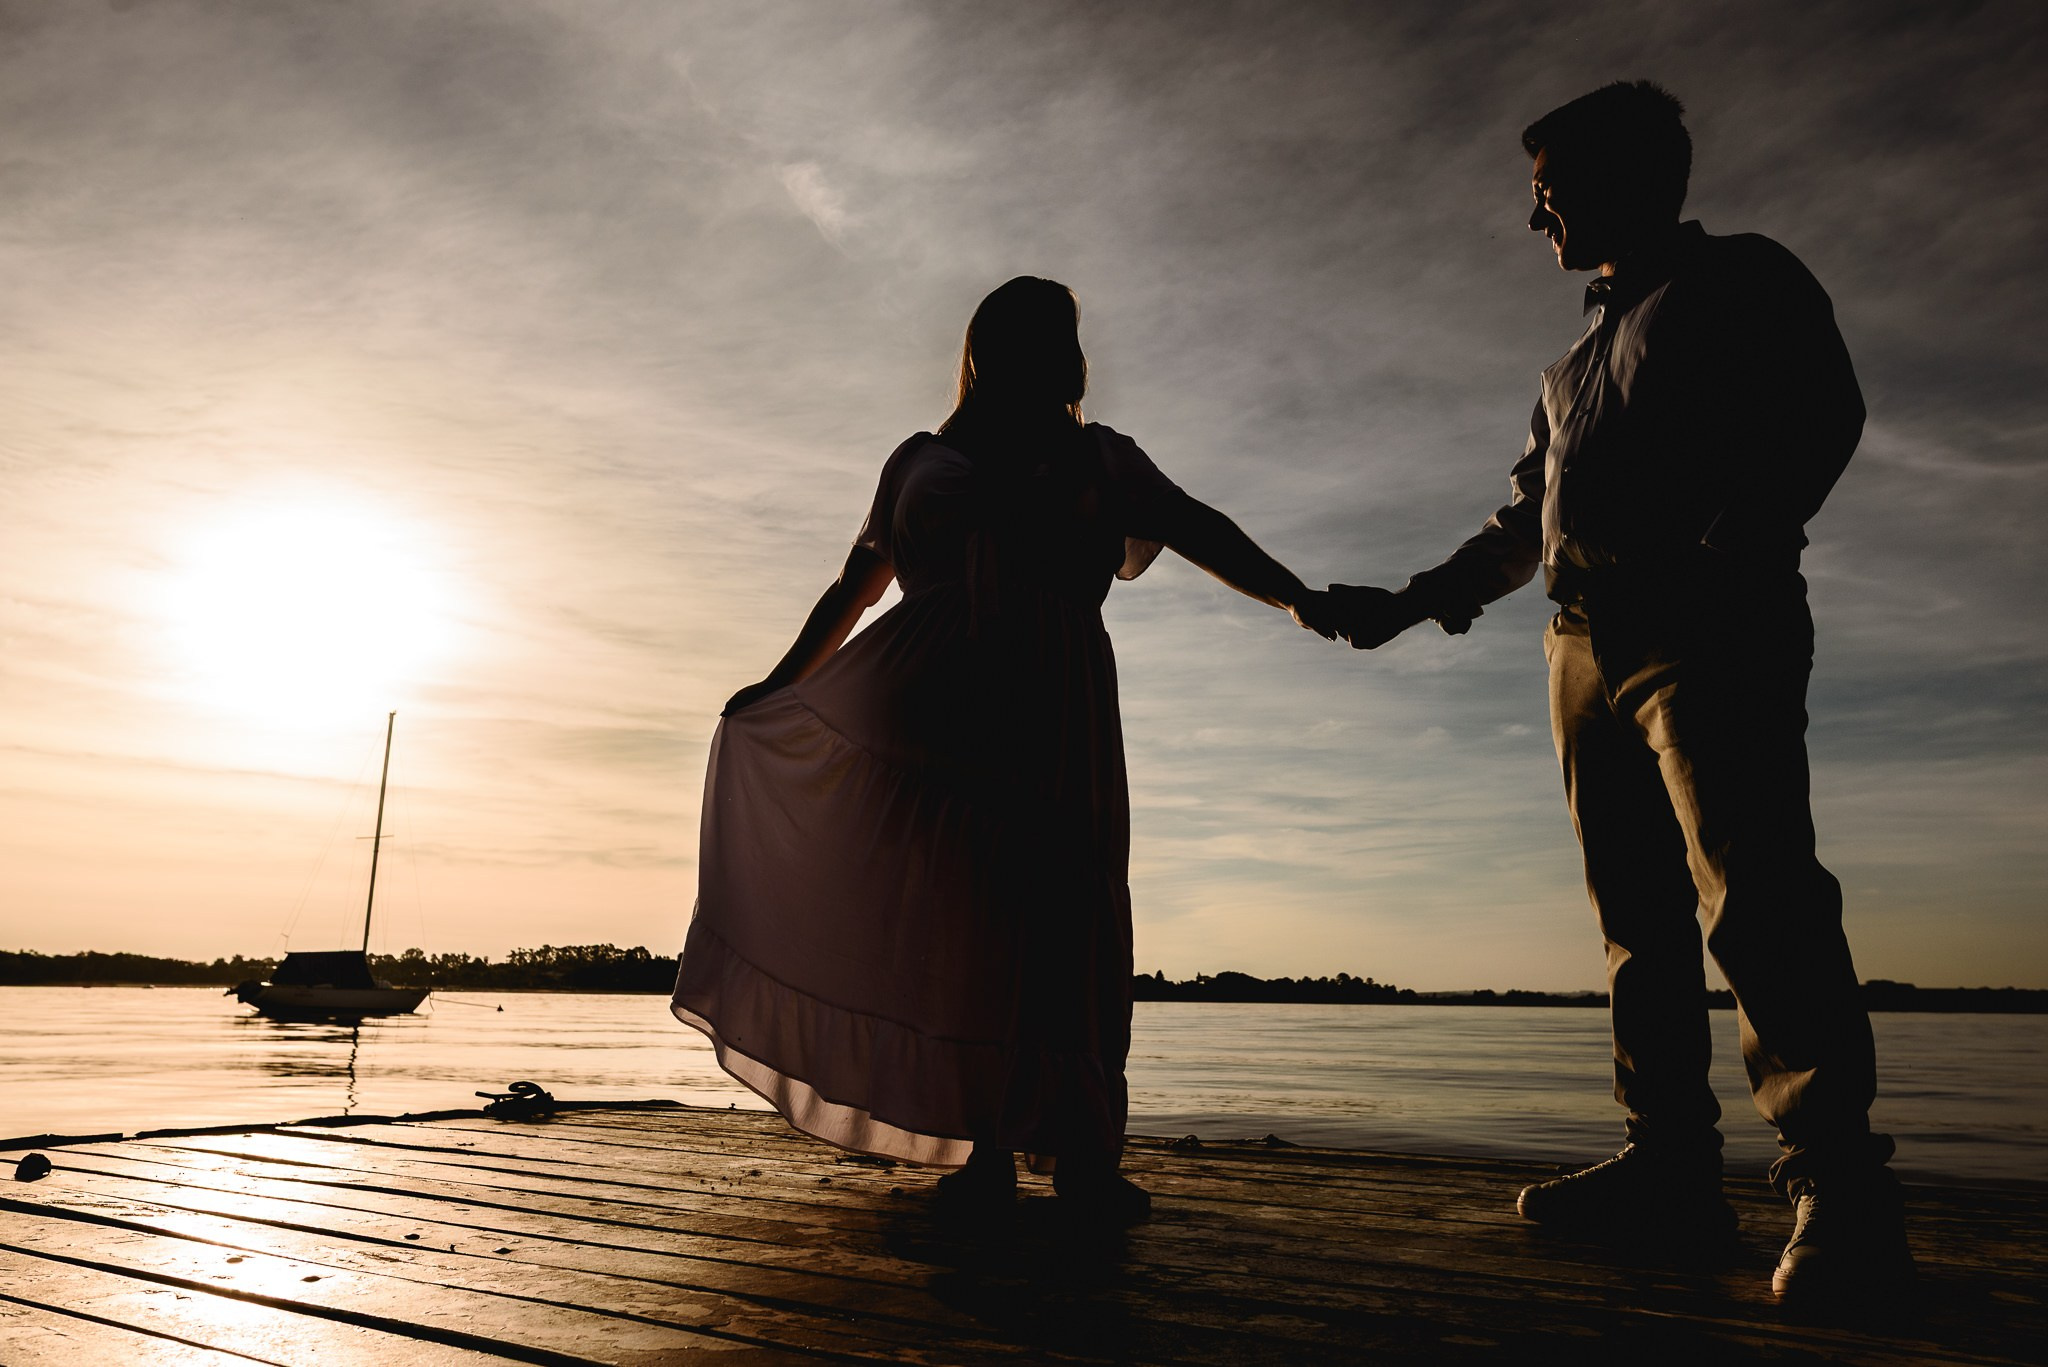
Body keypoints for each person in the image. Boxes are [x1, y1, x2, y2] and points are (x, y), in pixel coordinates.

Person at [1328, 82, 1912, 1300]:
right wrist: (1411, 599)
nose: (1533, 221)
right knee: (1634, 923)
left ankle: (1836, 1181)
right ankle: (1668, 1166)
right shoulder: (1572, 361)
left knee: (1753, 894)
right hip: (1577, 644)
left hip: (1706, 625)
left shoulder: (1739, 279)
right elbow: (1517, 521)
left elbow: (1823, 408)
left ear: (1624, 179)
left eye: (1547, 196)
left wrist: (1732, 539)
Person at [674, 276, 1335, 1223]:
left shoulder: (1102, 458)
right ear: (982, 347)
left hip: (1057, 705)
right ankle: (983, 1151)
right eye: (1013, 334)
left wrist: (1301, 598)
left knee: (1068, 909)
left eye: (1049, 336)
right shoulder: (919, 461)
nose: (1031, 352)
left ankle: (1084, 1157)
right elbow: (857, 589)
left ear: (1064, 355)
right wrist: (780, 684)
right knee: (962, 918)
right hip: (930, 709)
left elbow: (1200, 530)